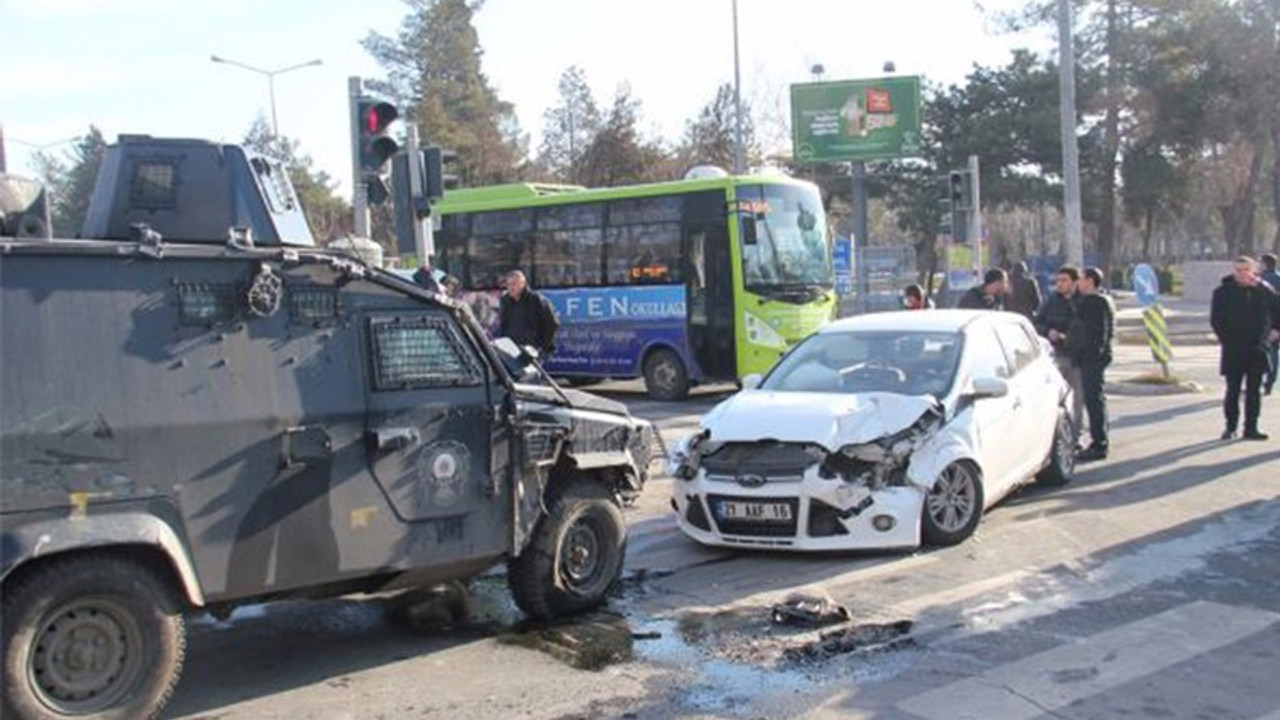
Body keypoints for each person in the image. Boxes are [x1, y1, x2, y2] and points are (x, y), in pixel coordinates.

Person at [1210, 256, 1280, 440]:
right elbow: (1216, 320)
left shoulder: (1262, 290)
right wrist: (1227, 339)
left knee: (1253, 390)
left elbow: (1277, 308)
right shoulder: (1223, 292)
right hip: (1233, 348)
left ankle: (1251, 428)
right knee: (1232, 389)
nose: (1242, 274)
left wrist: (1275, 331)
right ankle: (1230, 427)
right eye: (1238, 270)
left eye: (1246, 270)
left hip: (1257, 347)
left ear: (1254, 271)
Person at [1069, 267, 1115, 461]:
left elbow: (1097, 334)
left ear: (1090, 281)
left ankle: (1099, 443)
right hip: (1091, 357)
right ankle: (1098, 440)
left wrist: (1090, 355)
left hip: (1092, 359)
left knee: (1094, 401)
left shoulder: (1096, 302)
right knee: (1094, 400)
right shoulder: (1094, 300)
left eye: (1080, 279)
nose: (1077, 283)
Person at [1034, 266, 1084, 439]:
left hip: (1076, 358)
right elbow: (1037, 323)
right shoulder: (1052, 301)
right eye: (1058, 281)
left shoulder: (1082, 302)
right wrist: (1048, 331)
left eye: (1064, 280)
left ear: (1075, 282)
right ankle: (1055, 436)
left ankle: (1075, 435)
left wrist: (1070, 337)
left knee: (1076, 400)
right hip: (1056, 356)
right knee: (1054, 399)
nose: (1060, 284)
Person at [498, 270, 560, 358]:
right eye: (508, 284)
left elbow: (552, 323)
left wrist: (543, 348)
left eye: (514, 284)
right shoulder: (505, 301)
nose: (511, 287)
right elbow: (503, 325)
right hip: (511, 350)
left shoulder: (536, 300)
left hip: (532, 351)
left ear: (523, 284)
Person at [1261, 253, 1280, 395]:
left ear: (1265, 264)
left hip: (1263, 320)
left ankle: (1259, 380)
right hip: (1276, 321)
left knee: (1261, 351)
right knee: (1274, 351)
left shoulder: (1261, 280)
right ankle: (1270, 381)